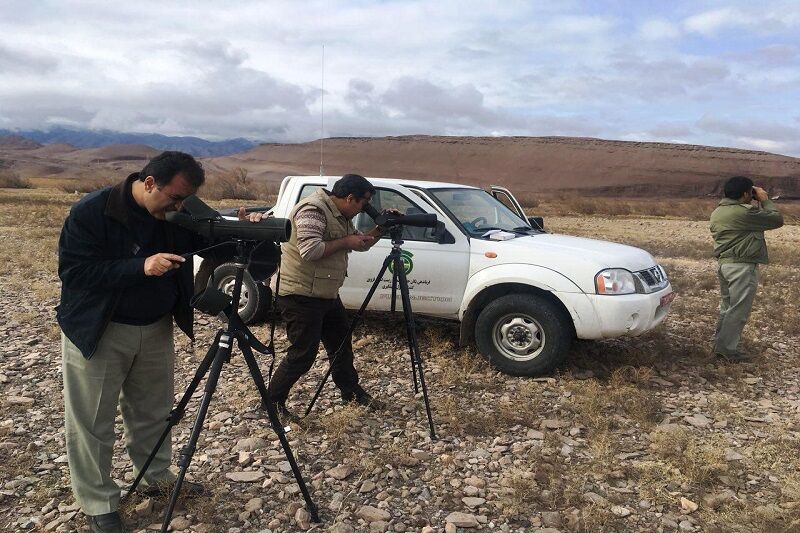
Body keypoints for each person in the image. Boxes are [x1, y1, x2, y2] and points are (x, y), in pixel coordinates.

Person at [57, 151, 264, 533]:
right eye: (174, 198)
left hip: (155, 326)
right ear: (149, 183)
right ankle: (98, 499)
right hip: (100, 329)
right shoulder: (92, 211)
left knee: (153, 410)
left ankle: (155, 476)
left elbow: (209, 240)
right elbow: (74, 272)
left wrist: (242, 226)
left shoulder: (175, 212)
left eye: (184, 200)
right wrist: (141, 266)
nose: (179, 206)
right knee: (93, 420)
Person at [267, 174, 386, 422]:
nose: (364, 208)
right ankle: (272, 404)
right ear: (350, 198)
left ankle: (350, 392)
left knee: (341, 344)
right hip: (300, 294)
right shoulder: (313, 210)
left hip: (325, 293)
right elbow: (310, 250)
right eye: (363, 203)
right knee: (302, 354)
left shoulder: (340, 213)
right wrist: (346, 240)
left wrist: (382, 228)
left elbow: (359, 244)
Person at [709, 176, 784, 362]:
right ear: (744, 194)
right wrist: (765, 200)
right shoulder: (743, 213)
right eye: (750, 193)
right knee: (738, 310)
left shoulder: (719, 211)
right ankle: (726, 351)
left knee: (728, 308)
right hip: (741, 267)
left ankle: (721, 346)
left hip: (726, 265)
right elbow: (776, 219)